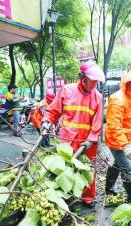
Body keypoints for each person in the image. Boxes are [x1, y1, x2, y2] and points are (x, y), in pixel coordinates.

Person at [42, 61, 105, 208]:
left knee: (88, 170)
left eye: (96, 81)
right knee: (65, 169)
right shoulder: (66, 90)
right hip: (67, 140)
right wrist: (46, 121)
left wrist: (91, 139)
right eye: (92, 80)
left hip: (87, 142)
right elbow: (54, 110)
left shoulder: (98, 97)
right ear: (82, 78)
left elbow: (97, 123)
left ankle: (88, 197)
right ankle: (65, 197)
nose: (95, 83)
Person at [105, 68, 131, 202]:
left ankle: (109, 189)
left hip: (123, 139)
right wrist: (125, 146)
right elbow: (115, 126)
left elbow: (126, 121)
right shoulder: (118, 100)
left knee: (117, 164)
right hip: (115, 140)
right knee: (127, 168)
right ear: (127, 84)